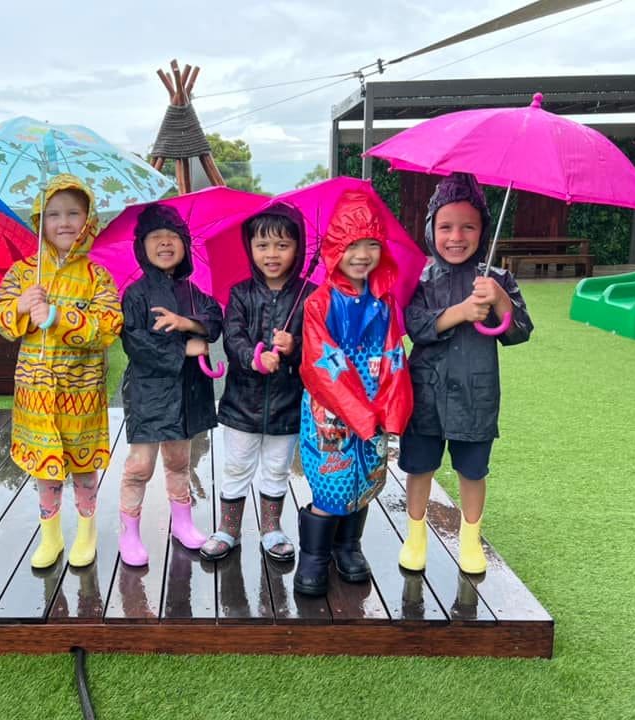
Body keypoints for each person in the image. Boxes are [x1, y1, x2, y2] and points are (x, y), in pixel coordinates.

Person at [398, 172, 532, 575]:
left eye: (468, 227)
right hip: (425, 391)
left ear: (483, 232)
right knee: (420, 466)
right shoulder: (420, 279)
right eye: (445, 227)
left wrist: (500, 300)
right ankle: (415, 534)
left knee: (473, 469)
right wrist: (458, 313)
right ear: (430, 230)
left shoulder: (497, 280)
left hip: (476, 395)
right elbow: (413, 325)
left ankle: (470, 539)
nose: (456, 236)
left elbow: (519, 332)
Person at [0, 175, 122, 569]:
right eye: (53, 215)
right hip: (35, 391)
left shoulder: (97, 276)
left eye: (73, 214)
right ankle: (50, 535)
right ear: (39, 221)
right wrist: (19, 307)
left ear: (88, 220)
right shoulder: (22, 273)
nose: (63, 222)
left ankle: (87, 530)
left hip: (80, 392)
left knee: (82, 465)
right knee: (45, 467)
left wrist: (57, 316)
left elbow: (108, 326)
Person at [294, 190, 413, 595]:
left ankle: (349, 546)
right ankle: (313, 557)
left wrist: (389, 407)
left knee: (367, 476)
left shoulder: (383, 300)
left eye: (372, 245)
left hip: (374, 406)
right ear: (334, 248)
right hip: (332, 410)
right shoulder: (318, 302)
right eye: (352, 244)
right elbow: (319, 363)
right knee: (332, 481)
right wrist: (357, 412)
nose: (362, 254)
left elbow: (394, 352)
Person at [200, 203, 315, 562]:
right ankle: (228, 530)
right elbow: (232, 337)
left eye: (282, 245)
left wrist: (294, 348)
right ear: (250, 248)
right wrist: (255, 357)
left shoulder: (310, 295)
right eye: (262, 245)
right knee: (236, 466)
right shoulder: (239, 294)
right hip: (241, 403)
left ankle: (272, 528)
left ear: (298, 248)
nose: (272, 254)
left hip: (286, 404)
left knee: (277, 468)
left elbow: (317, 348)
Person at [117, 204, 224, 567]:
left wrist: (188, 324)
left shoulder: (192, 293)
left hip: (187, 392)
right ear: (141, 246)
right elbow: (135, 342)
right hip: (149, 393)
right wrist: (183, 349)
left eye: (173, 237)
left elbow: (214, 317)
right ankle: (129, 531)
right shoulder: (135, 294)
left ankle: (182, 522)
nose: (165, 244)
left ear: (185, 244)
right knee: (139, 465)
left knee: (180, 460)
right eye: (156, 238)